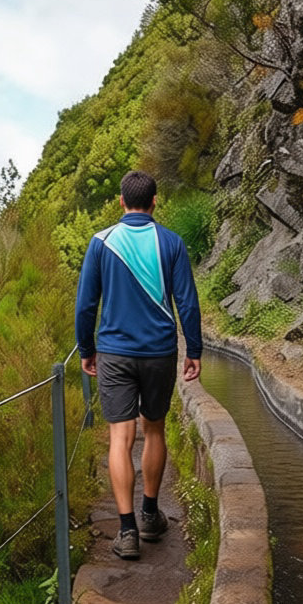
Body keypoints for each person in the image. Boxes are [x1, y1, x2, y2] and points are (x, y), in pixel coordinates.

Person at [74, 170, 202, 560]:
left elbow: (86, 305)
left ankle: (126, 532)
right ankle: (150, 514)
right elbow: (188, 302)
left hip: (114, 352)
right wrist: (193, 349)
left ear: (120, 201)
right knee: (155, 429)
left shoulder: (100, 243)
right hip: (159, 352)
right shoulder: (171, 243)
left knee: (120, 437)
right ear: (155, 201)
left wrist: (86, 349)